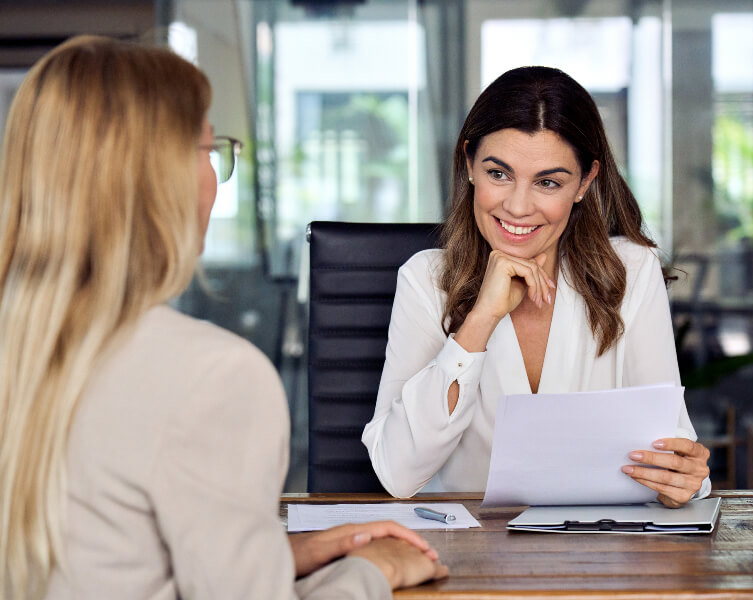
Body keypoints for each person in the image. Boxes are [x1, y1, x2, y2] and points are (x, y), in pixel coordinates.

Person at [0, 36, 447, 600]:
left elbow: (102, 556)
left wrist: (285, 552)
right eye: (209, 152)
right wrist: (375, 571)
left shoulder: (23, 349)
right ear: (161, 180)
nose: (214, 175)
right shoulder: (210, 376)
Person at [362, 66, 711, 507]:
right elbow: (397, 472)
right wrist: (480, 321)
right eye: (499, 174)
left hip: (596, 551)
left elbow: (672, 446)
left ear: (585, 182)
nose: (518, 206)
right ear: (469, 164)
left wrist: (682, 478)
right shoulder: (426, 281)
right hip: (466, 556)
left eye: (548, 182)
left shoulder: (632, 273)